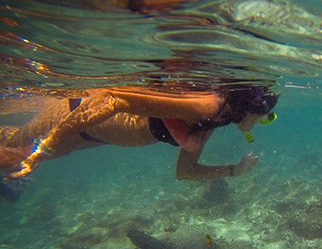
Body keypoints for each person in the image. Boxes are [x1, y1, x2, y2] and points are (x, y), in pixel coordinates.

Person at [0, 85, 278, 183]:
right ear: (254, 108)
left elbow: (185, 172)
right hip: (74, 115)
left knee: (15, 150)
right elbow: (113, 99)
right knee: (16, 152)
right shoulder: (209, 105)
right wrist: (48, 146)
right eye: (266, 119)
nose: (260, 125)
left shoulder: (217, 118)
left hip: (93, 137)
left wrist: (235, 171)